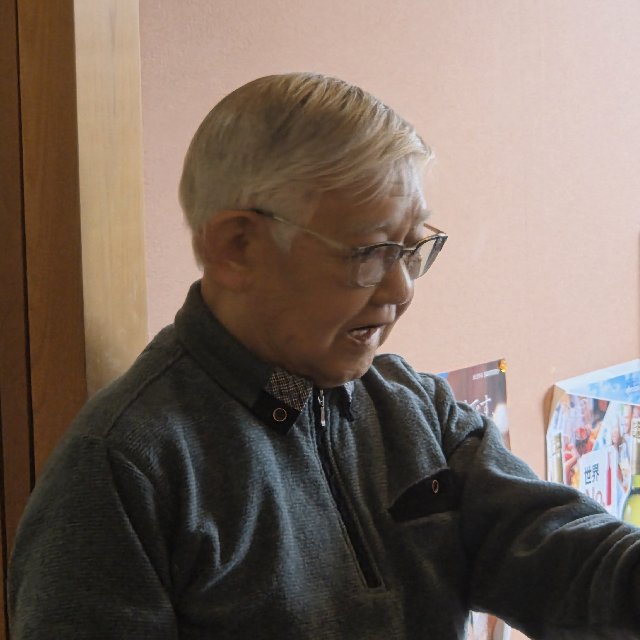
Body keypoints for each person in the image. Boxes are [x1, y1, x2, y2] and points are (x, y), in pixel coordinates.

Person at [8, 72, 640, 640]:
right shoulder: (124, 469)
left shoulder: (412, 408)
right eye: (369, 252)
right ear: (237, 247)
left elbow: (561, 554)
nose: (401, 290)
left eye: (412, 248)